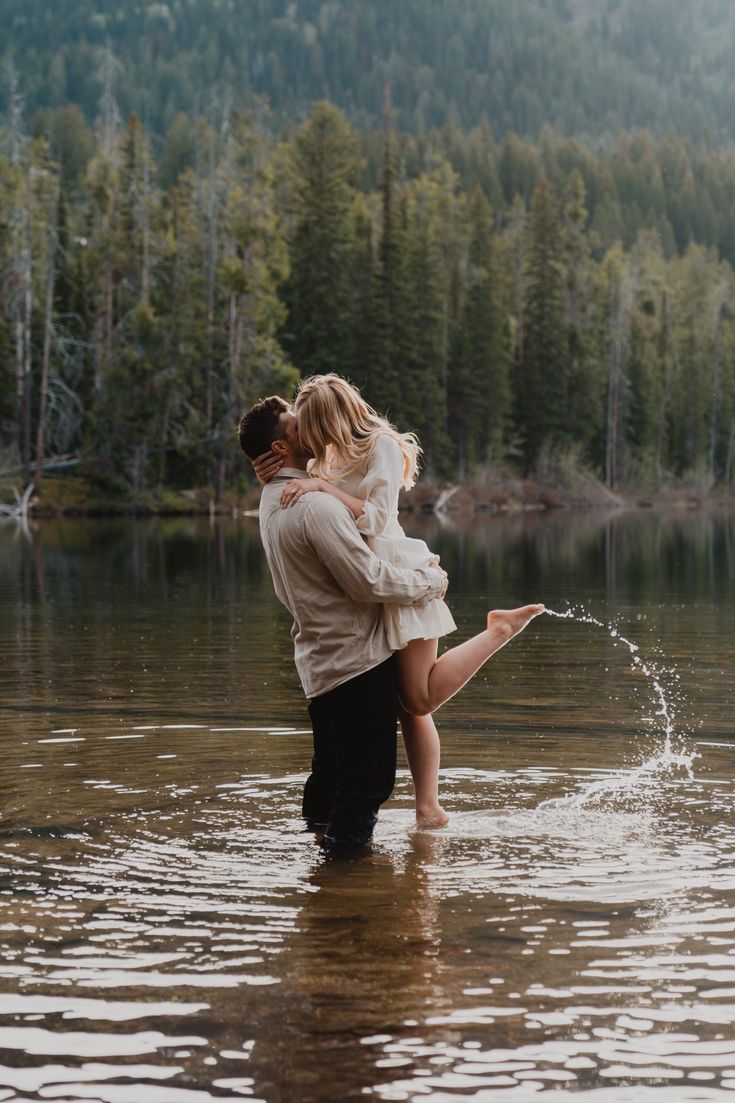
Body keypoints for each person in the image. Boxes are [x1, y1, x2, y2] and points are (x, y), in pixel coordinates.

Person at [251, 374, 544, 828]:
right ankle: (426, 810)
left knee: (417, 697)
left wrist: (321, 488)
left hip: (404, 576)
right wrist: (280, 470)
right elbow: (284, 467)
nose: (305, 435)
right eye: (298, 428)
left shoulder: (379, 447)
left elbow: (377, 518)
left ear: (331, 417)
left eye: (308, 424)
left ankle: (497, 631)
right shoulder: (325, 456)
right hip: (379, 585)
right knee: (405, 706)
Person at [238, 395, 449, 850]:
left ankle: (322, 887)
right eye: (297, 426)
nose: (309, 427)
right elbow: (368, 581)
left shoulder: (272, 500)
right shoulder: (315, 507)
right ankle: (348, 896)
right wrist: (429, 582)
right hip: (356, 663)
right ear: (279, 449)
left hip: (317, 664)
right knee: (365, 788)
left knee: (329, 783)